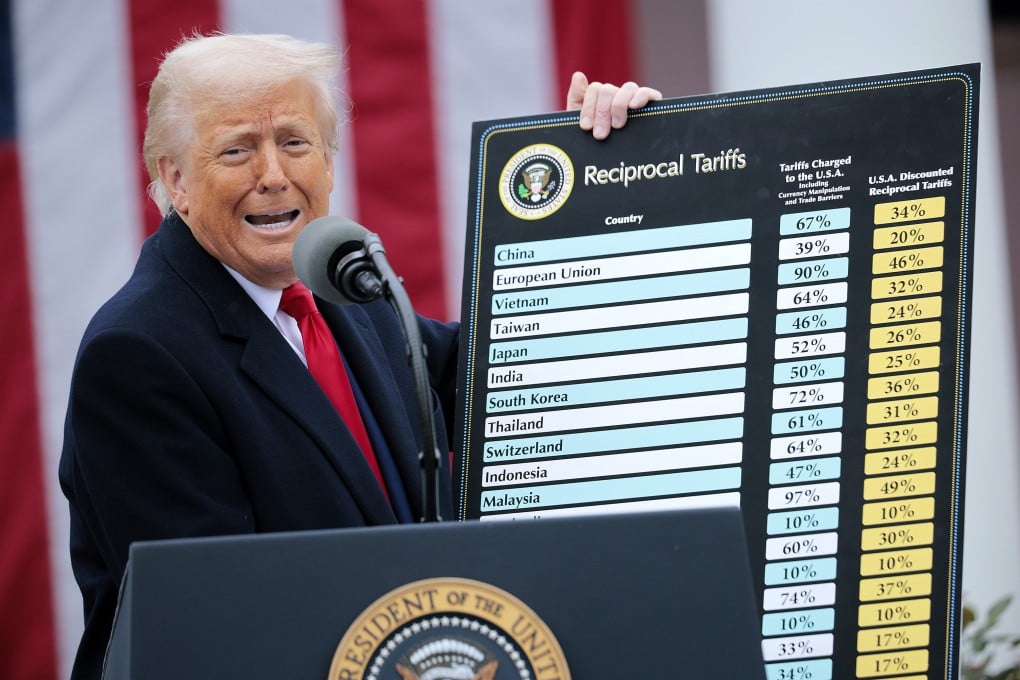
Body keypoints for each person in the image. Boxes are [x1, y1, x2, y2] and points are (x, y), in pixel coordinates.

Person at [58, 32, 661, 680]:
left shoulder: (346, 288)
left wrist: (606, 177)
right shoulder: (138, 355)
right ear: (174, 178)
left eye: (294, 142)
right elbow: (217, 622)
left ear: (329, 160)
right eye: (237, 150)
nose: (274, 175)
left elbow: (515, 381)